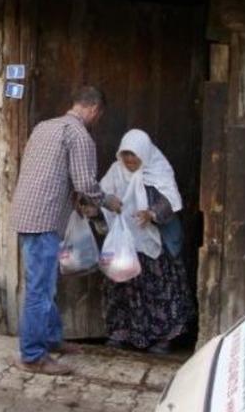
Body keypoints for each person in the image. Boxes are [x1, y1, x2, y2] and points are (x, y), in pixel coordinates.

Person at [11, 85, 121, 375]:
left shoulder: (43, 127)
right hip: (45, 219)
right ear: (95, 109)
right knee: (40, 289)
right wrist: (108, 201)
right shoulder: (79, 135)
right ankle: (32, 356)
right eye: (99, 115)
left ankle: (50, 339)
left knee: (45, 284)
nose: (97, 119)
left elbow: (50, 172)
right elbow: (85, 183)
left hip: (27, 213)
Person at [97, 129, 195, 354]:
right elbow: (102, 196)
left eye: (134, 155)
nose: (130, 160)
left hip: (154, 244)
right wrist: (93, 206)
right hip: (126, 244)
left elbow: (170, 200)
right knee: (122, 289)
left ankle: (164, 338)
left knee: (159, 290)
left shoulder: (157, 170)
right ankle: (121, 334)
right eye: (126, 155)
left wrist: (151, 214)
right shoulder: (115, 171)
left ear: (144, 153)